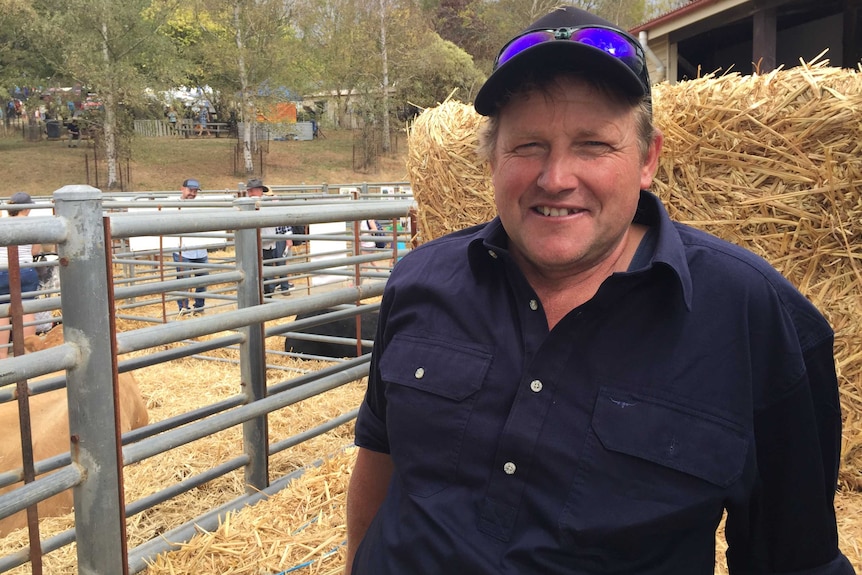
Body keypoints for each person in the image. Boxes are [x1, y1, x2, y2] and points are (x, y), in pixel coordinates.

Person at [345, 6, 855, 575]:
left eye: (593, 145)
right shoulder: (420, 282)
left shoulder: (756, 319)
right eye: (528, 145)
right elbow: (380, 461)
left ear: (647, 160)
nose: (556, 177)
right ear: (492, 158)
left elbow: (796, 559)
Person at [0, 192, 42, 359]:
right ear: (26, 208)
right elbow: (35, 251)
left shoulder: (1, 223)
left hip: (2, 270)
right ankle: (27, 355)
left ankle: (2, 356)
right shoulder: (32, 224)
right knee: (27, 309)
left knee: (2, 312)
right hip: (25, 270)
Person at [246, 178, 290, 297]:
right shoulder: (249, 204)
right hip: (258, 244)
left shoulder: (266, 203)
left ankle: (267, 295)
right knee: (261, 272)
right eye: (258, 190)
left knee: (266, 272)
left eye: (261, 190)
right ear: (250, 191)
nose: (261, 193)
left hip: (268, 243)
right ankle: (263, 295)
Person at [173, 178, 208, 316]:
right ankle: (184, 310)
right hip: (183, 250)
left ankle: (199, 308)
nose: (192, 194)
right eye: (190, 190)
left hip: (200, 249)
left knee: (203, 280)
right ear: (182, 189)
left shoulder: (201, 205)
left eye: (195, 191)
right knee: (184, 282)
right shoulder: (173, 205)